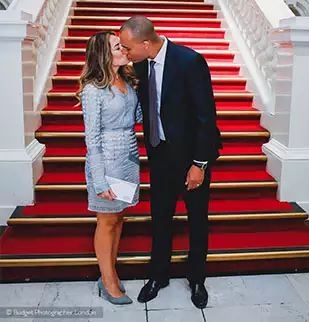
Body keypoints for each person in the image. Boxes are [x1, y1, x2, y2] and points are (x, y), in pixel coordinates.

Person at [119, 16, 222, 309]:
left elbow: (206, 118)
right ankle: (158, 276)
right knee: (160, 217)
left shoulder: (190, 61)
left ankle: (197, 279)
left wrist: (199, 164)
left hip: (191, 159)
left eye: (128, 47)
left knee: (197, 220)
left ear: (146, 43)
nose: (125, 52)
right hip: (159, 155)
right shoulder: (140, 65)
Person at [75, 31, 141, 305]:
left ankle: (109, 272)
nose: (124, 48)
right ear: (104, 54)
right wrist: (99, 181)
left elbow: (137, 117)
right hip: (107, 160)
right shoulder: (92, 90)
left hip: (129, 157)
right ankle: (108, 280)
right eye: (118, 46)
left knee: (119, 218)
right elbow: (92, 138)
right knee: (106, 220)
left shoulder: (126, 80)